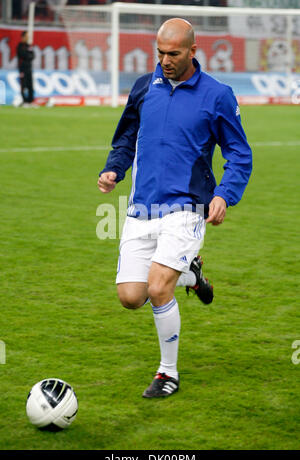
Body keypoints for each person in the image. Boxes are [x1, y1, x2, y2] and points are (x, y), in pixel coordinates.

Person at [98, 18, 252, 398]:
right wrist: (114, 169)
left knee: (157, 286)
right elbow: (127, 136)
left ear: (192, 51)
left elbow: (238, 153)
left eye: (173, 54)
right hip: (140, 208)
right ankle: (190, 273)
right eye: (160, 53)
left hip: (187, 207)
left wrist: (224, 194)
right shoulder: (142, 87)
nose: (165, 60)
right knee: (132, 297)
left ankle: (168, 373)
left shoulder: (217, 95)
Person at [16, 31, 35, 107]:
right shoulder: (20, 46)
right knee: (23, 85)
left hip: (29, 68)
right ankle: (24, 101)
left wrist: (28, 56)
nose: (28, 37)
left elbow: (33, 55)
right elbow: (22, 55)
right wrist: (28, 55)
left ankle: (30, 101)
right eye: (27, 36)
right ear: (23, 37)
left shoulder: (29, 46)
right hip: (22, 69)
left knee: (30, 85)